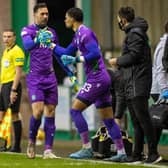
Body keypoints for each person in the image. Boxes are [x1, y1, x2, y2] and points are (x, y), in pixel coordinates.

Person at [40, 7, 128, 162]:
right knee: (107, 119)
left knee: (75, 111)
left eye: (66, 17)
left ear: (73, 18)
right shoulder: (78, 35)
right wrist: (51, 45)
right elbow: (67, 51)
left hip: (97, 78)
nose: (65, 20)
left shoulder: (85, 33)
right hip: (100, 78)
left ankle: (87, 148)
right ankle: (121, 152)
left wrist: (76, 60)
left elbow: (95, 54)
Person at [108, 6, 162, 164]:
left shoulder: (135, 33)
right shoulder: (134, 33)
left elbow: (134, 55)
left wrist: (117, 61)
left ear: (123, 20)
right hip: (132, 82)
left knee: (144, 119)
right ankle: (136, 155)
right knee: (136, 121)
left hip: (139, 82)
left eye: (119, 20)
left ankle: (153, 153)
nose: (118, 22)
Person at [21, 3, 59, 159]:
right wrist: (37, 38)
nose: (45, 16)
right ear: (35, 14)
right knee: (37, 112)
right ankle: (31, 141)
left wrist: (69, 69)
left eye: (47, 14)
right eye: (42, 13)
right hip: (35, 77)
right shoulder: (27, 30)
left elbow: (56, 52)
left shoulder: (52, 32)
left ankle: (48, 150)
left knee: (50, 111)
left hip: (50, 76)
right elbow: (28, 46)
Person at [0, 29, 24, 152]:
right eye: (4, 36)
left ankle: (16, 146)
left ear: (14, 38)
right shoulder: (6, 51)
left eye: (9, 36)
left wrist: (13, 90)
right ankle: (5, 144)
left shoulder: (17, 51)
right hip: (4, 85)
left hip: (12, 86)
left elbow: (18, 72)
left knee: (14, 115)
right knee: (1, 115)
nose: (6, 39)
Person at [150, 21, 168, 147]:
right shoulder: (164, 45)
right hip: (160, 89)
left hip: (160, 88)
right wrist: (165, 90)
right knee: (159, 119)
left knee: (159, 122)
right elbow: (160, 69)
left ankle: (152, 151)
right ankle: (152, 151)